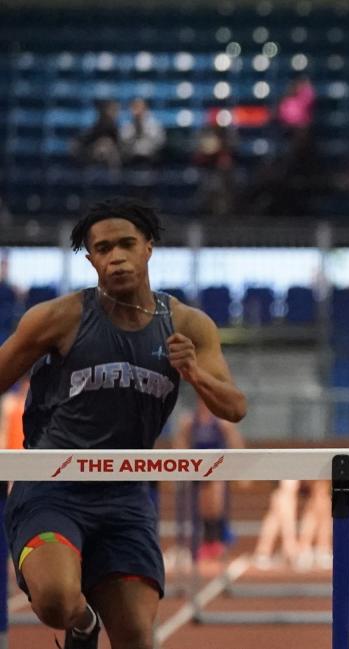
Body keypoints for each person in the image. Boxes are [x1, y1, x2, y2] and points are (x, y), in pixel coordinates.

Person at [0, 197, 246, 649]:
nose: (116, 257)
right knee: (55, 599)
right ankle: (83, 624)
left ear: (148, 247)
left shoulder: (189, 324)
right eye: (103, 248)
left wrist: (193, 373)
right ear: (90, 258)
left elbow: (234, 407)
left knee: (135, 636)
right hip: (52, 485)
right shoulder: (59, 318)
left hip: (125, 493)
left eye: (126, 244)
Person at [171, 399, 245, 562]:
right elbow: (180, 444)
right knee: (202, 505)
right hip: (198, 469)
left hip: (217, 468)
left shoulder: (222, 422)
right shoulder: (190, 421)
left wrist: (240, 471)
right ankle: (206, 540)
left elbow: (236, 443)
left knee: (215, 502)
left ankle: (218, 537)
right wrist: (178, 467)